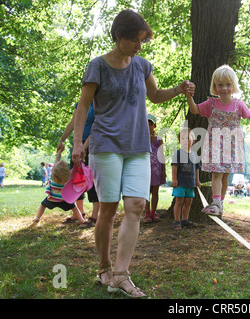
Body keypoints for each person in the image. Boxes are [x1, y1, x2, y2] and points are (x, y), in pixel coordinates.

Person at [70, 9, 195, 298]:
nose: (140, 46)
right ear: (118, 36)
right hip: (106, 145)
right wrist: (78, 142)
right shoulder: (97, 66)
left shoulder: (143, 66)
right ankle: (104, 267)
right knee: (109, 210)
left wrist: (178, 89)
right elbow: (83, 106)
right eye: (135, 40)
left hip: (138, 147)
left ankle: (121, 275)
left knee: (137, 206)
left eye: (143, 40)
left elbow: (155, 96)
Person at [186, 65, 250, 216]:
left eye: (228, 84)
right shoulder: (211, 104)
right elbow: (194, 110)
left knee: (225, 175)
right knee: (217, 174)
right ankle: (216, 202)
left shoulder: (239, 104)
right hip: (215, 144)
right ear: (215, 87)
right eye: (220, 85)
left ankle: (220, 203)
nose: (224, 88)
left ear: (234, 86)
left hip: (231, 146)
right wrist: (188, 96)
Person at [57, 101, 98, 228]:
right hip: (78, 145)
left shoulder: (99, 102)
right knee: (75, 178)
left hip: (94, 144)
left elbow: (98, 126)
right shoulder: (79, 104)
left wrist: (85, 146)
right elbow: (73, 123)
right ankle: (79, 213)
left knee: (92, 179)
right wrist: (62, 139)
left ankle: (95, 215)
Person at [33, 149, 87, 225]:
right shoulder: (68, 179)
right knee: (74, 207)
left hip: (52, 199)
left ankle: (37, 218)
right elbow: (76, 170)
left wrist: (59, 152)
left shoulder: (53, 177)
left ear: (54, 171)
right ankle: (81, 219)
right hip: (64, 200)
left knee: (43, 205)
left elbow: (57, 160)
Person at [171, 128, 201, 230]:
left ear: (193, 140)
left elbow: (197, 169)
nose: (185, 140)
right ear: (179, 141)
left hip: (190, 184)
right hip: (180, 183)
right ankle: (176, 221)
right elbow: (174, 167)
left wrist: (197, 180)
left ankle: (185, 220)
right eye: (182, 138)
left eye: (188, 138)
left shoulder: (195, 155)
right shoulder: (178, 153)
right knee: (179, 202)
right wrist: (174, 179)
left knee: (188, 202)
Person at [144, 114, 166, 223]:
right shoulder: (141, 139)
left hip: (156, 169)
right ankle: (147, 213)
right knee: (146, 192)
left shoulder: (159, 140)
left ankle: (154, 212)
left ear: (154, 126)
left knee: (155, 191)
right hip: (145, 169)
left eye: (150, 125)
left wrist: (164, 171)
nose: (148, 127)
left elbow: (162, 155)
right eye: (146, 124)